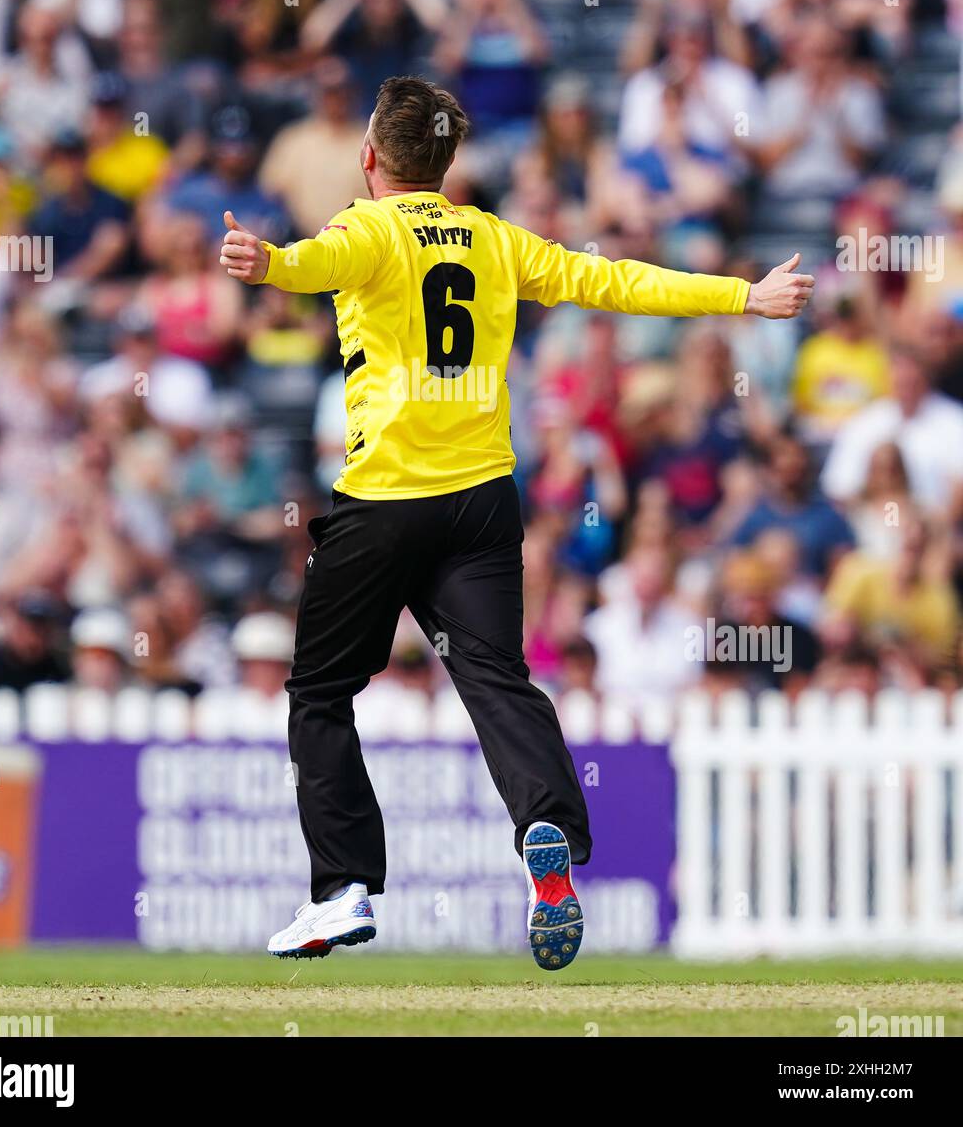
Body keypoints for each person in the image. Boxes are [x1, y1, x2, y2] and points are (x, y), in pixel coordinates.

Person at [219, 75, 813, 970]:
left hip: (385, 499)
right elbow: (612, 282)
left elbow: (319, 264)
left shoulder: (363, 227)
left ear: (371, 156)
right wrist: (744, 297)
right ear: (448, 161)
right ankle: (545, 826)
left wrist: (271, 264)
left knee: (319, 691)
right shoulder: (496, 240)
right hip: (483, 503)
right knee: (497, 680)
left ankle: (343, 890)